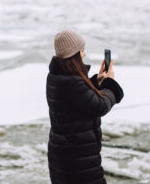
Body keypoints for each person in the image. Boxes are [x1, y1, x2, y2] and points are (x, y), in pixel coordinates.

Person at [46, 29, 124, 184]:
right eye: (82, 51)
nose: (84, 54)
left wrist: (97, 82)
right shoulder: (72, 82)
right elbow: (99, 106)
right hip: (77, 157)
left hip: (66, 154)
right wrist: (109, 84)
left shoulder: (57, 76)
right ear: (73, 54)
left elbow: (78, 100)